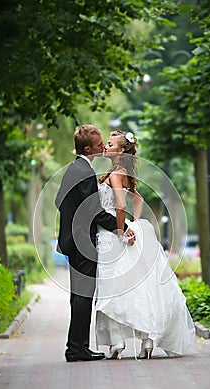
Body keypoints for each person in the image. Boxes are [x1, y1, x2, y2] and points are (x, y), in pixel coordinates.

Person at [95, 130, 195, 359]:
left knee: (113, 289)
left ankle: (117, 343)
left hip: (112, 234)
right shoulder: (122, 172)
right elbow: (137, 199)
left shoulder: (115, 173)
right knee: (138, 287)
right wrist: (136, 223)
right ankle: (147, 341)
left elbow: (121, 205)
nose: (105, 146)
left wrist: (121, 230)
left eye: (109, 144)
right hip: (121, 230)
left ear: (120, 151)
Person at [55, 125, 135, 362]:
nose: (103, 147)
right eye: (100, 144)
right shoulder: (84, 172)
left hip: (74, 239)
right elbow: (94, 211)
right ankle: (76, 349)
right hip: (82, 243)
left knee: (79, 296)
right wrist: (123, 227)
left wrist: (72, 219)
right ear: (88, 148)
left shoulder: (75, 168)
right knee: (83, 297)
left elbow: (60, 200)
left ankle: (78, 346)